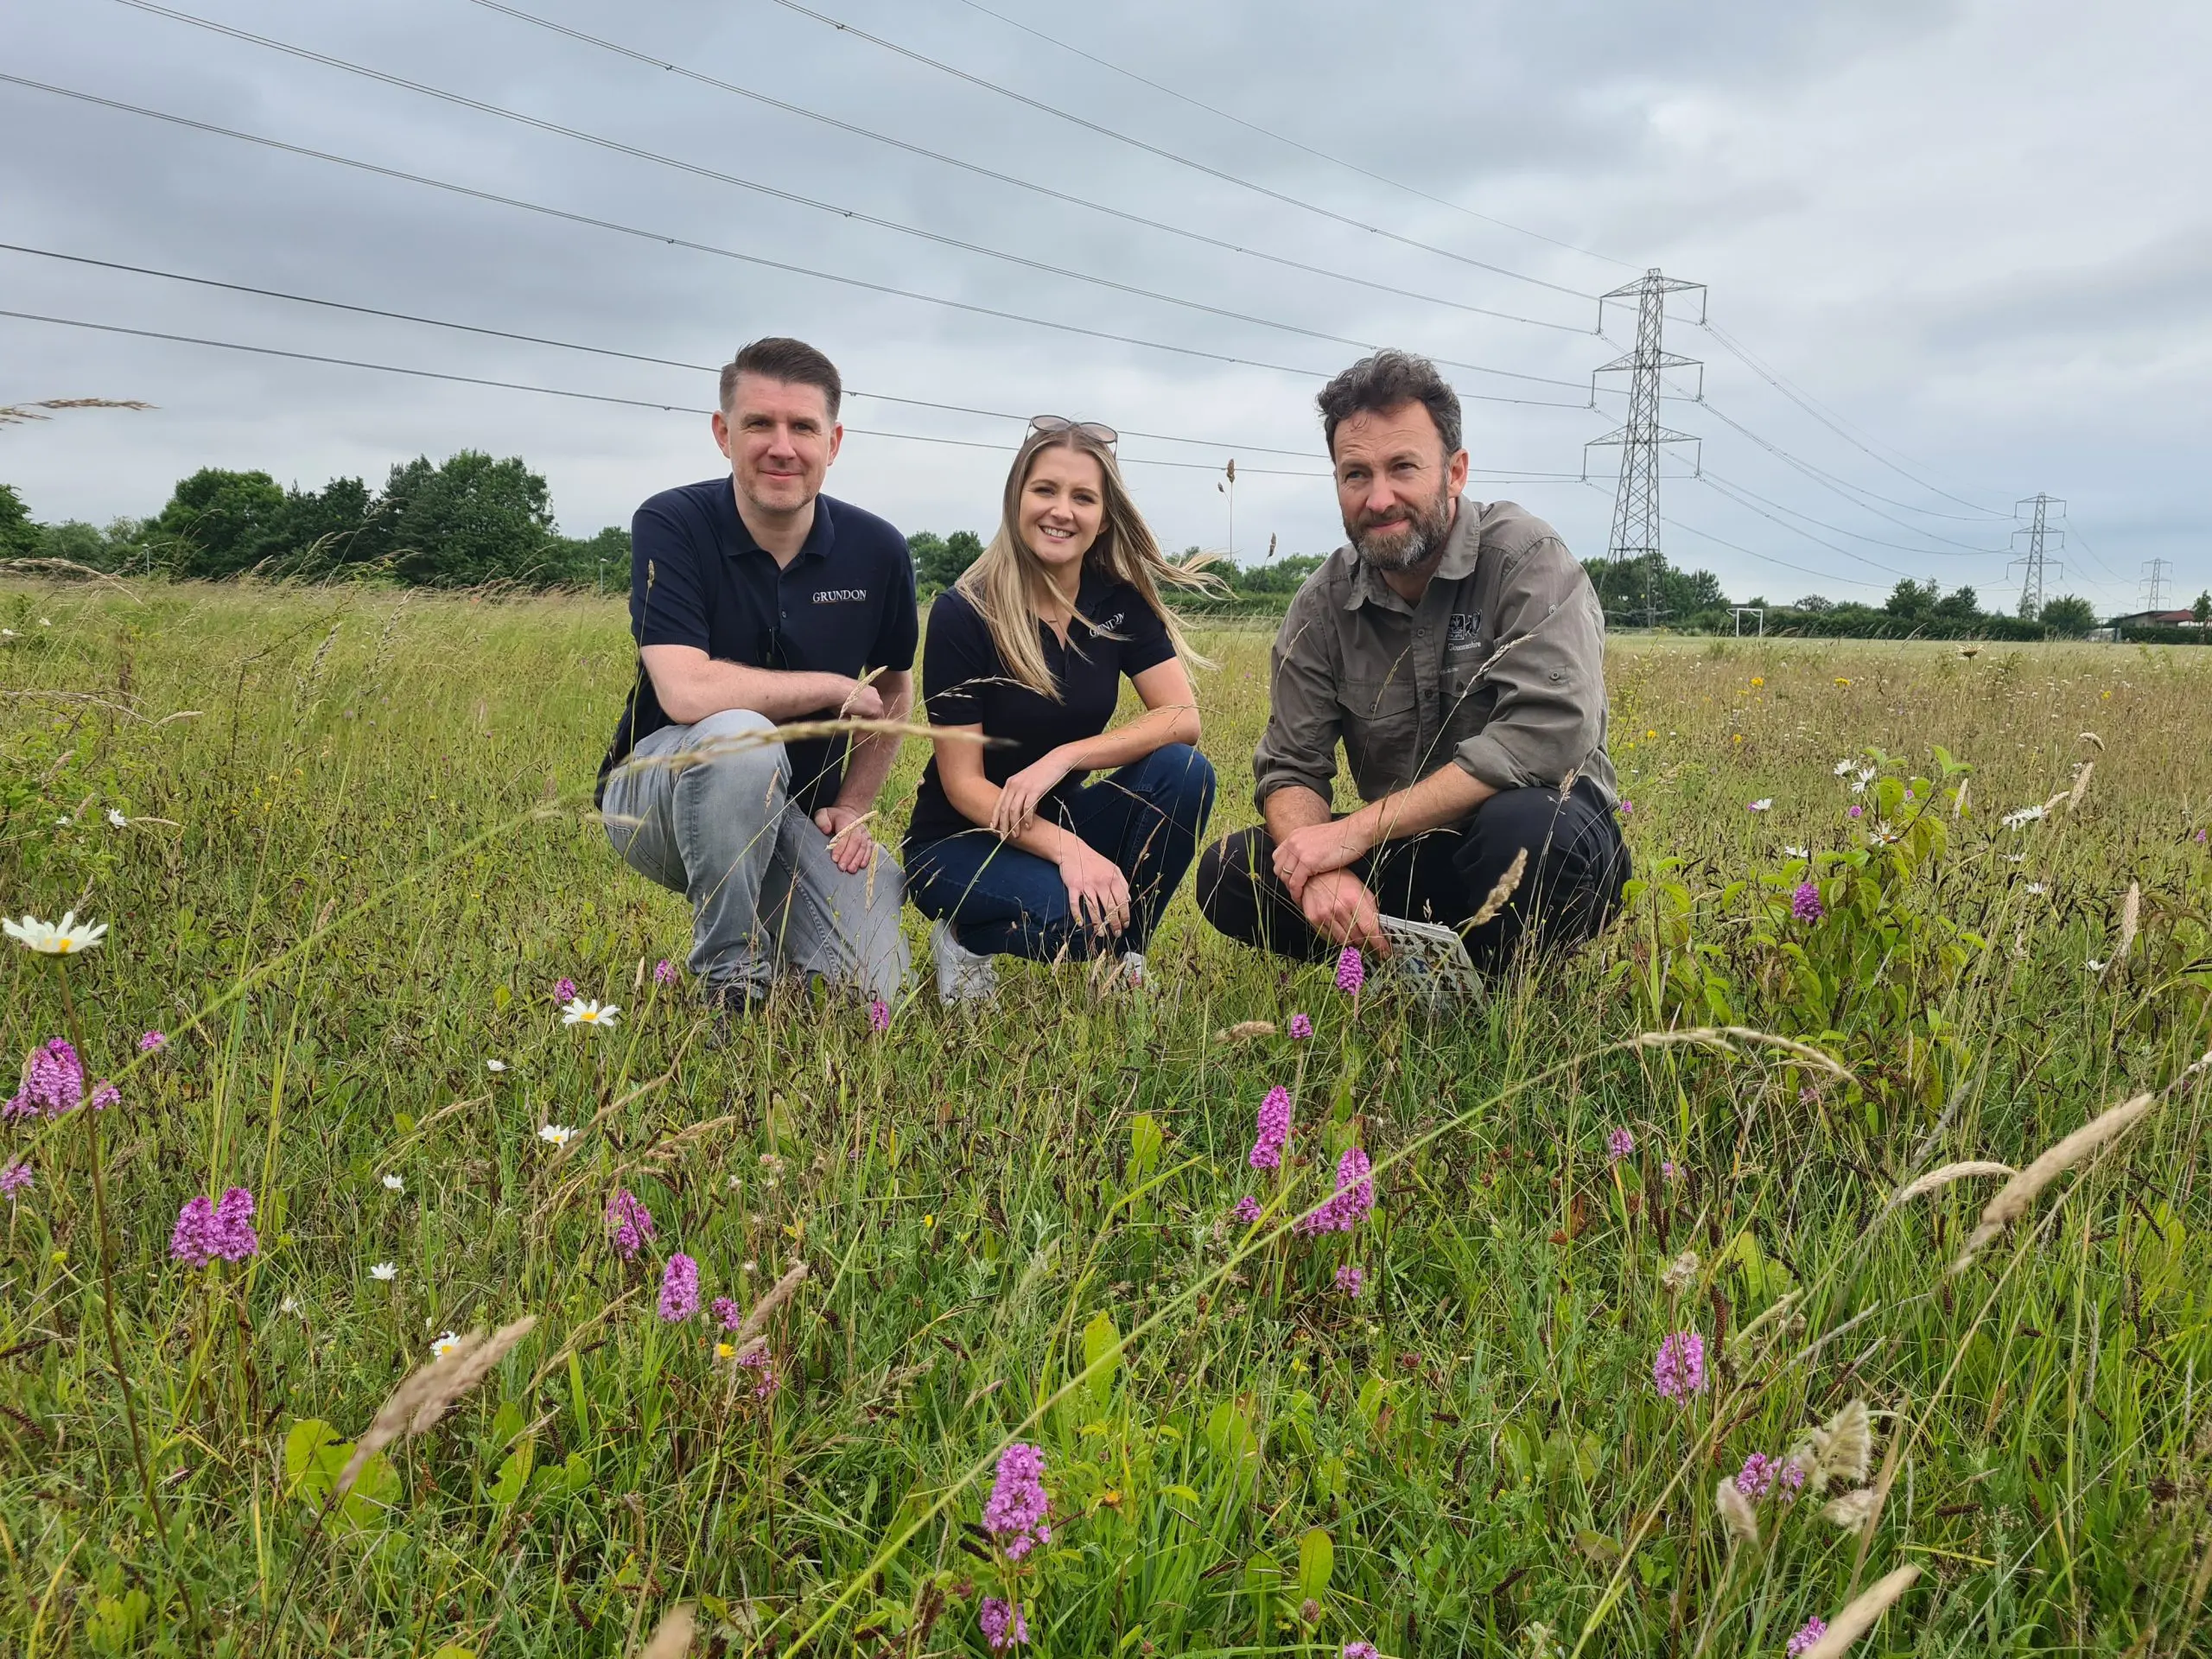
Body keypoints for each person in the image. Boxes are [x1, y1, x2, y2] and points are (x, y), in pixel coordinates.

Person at [1196, 348, 1628, 976]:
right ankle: (1398, 960)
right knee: (1232, 871)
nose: (1379, 498)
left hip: (1535, 832)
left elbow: (1548, 733)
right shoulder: (1321, 605)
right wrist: (1321, 866)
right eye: (1355, 474)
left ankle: (1507, 985)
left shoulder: (1526, 559)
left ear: (1455, 471)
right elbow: (1291, 767)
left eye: (1403, 467)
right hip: (1408, 850)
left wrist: (1356, 833)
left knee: (1527, 829)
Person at [597, 337, 914, 1011]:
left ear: (834, 442)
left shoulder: (878, 549)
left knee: (872, 986)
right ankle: (729, 978)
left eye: (802, 427)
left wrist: (854, 804)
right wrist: (831, 687)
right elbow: (684, 691)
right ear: (722, 433)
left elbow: (893, 687)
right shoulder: (672, 523)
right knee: (743, 738)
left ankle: (785, 943)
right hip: (656, 793)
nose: (782, 446)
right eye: (758, 424)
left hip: (794, 809)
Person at [904, 417, 1219, 1003]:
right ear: (1016, 497)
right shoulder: (964, 613)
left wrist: (1065, 757)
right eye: (1045, 490)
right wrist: (1071, 852)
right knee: (1079, 922)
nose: (1062, 511)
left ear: (1103, 517)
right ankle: (965, 938)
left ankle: (1126, 959)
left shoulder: (1116, 601)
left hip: (1057, 813)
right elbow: (965, 787)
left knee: (1184, 772)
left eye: (1083, 497)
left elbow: (1182, 717)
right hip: (956, 843)